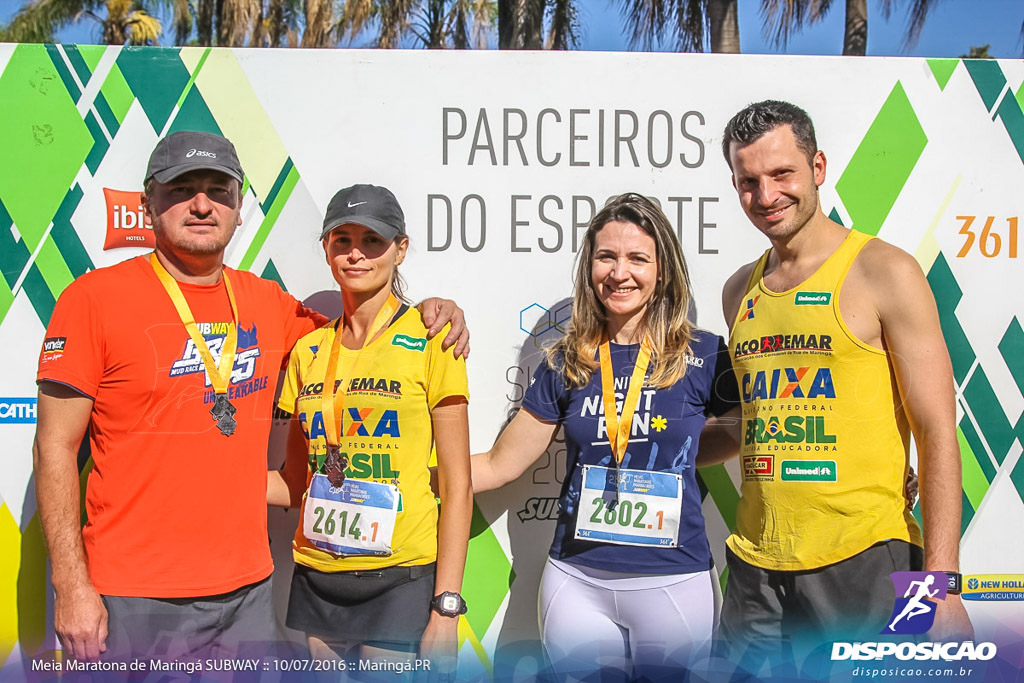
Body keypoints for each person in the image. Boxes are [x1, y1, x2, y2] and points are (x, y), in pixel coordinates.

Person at [32, 131, 469, 664]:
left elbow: (363, 335)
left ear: (239, 209)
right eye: (181, 188)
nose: (201, 204)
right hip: (132, 594)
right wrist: (72, 586)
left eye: (219, 190)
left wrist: (431, 308)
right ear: (148, 205)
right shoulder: (92, 300)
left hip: (246, 595)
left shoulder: (266, 304)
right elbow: (54, 446)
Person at [712, 100, 973, 665]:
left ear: (819, 167)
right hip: (756, 567)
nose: (766, 195)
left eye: (782, 174)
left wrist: (943, 584)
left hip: (865, 561)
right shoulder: (738, 292)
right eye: (748, 181)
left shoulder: (885, 270)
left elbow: (936, 429)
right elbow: (748, 421)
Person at [469, 193, 741, 681]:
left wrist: (681, 455)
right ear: (588, 266)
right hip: (576, 583)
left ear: (664, 270)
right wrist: (411, 475)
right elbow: (499, 464)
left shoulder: (704, 354)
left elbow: (742, 434)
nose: (620, 273)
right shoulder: (565, 360)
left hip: (675, 582)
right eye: (606, 256)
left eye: (638, 258)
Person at [267, 184, 472, 673]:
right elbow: (296, 483)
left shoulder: (433, 339)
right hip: (319, 572)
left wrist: (446, 607)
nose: (356, 253)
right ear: (326, 248)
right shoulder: (307, 351)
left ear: (400, 249)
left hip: (397, 575)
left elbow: (459, 485)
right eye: (343, 239)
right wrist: (197, 481)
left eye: (373, 240)